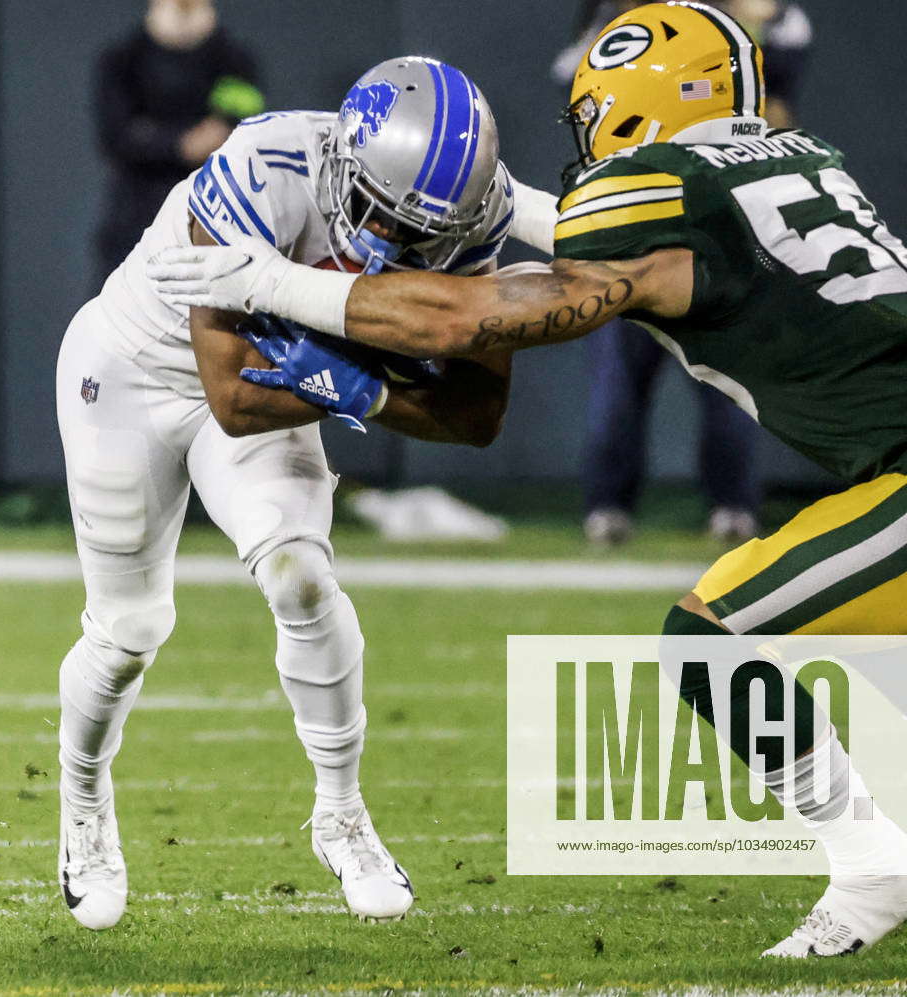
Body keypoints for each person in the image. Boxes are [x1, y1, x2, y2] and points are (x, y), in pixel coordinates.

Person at [149, 1, 907, 958]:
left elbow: (466, 323)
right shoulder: (807, 160)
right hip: (884, 471)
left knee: (713, 637)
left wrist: (273, 283)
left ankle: (874, 863)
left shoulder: (661, 187)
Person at [57, 54, 556, 931]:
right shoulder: (265, 169)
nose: (403, 249)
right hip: (136, 372)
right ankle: (84, 808)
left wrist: (361, 391)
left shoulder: (476, 216)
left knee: (303, 579)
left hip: (282, 379)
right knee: (128, 628)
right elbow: (236, 397)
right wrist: (367, 383)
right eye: (384, 219)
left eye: (426, 234)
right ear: (343, 166)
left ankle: (342, 813)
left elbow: (476, 416)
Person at [551, 0, 812, 545]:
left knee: (730, 384)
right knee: (619, 384)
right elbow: (579, 91)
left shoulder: (750, 23)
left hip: (721, 225)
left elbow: (778, 97)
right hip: (638, 222)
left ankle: (733, 505)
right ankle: (608, 506)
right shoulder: (619, 20)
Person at [94, 0, 265, 288]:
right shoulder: (121, 61)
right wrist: (179, 144)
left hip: (215, 221)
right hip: (134, 225)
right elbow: (117, 136)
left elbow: (242, 120)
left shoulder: (235, 61)